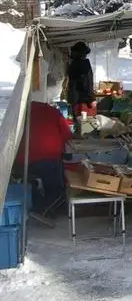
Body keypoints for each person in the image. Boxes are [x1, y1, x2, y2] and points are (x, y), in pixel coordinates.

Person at [14, 88, 73, 216]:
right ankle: (49, 208)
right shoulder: (52, 112)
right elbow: (68, 135)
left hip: (20, 160)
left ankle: (38, 204)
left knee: (28, 181)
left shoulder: (18, 113)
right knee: (55, 186)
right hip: (48, 158)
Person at [66, 41, 95, 117]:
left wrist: (89, 97)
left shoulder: (77, 64)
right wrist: (90, 97)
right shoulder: (80, 63)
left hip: (79, 96)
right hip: (79, 95)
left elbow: (87, 82)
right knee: (81, 118)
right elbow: (88, 82)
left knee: (79, 118)